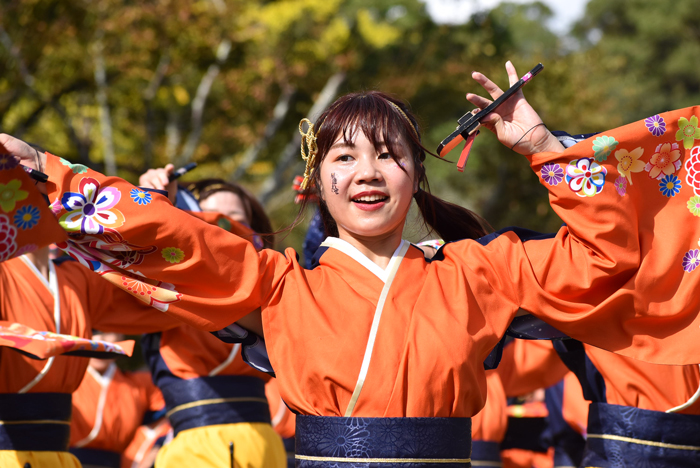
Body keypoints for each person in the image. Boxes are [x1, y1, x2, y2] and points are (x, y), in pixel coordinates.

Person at [4, 62, 700, 466]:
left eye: (389, 154)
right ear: (317, 180)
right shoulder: (276, 283)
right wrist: (52, 174)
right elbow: (172, 239)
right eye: (345, 156)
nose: (368, 172)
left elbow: (607, 259)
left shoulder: (480, 271)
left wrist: (545, 147)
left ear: (415, 179)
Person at [135, 171, 286, 468]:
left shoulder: (274, 288)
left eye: (235, 219)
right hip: (198, 449)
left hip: (266, 444)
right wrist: (158, 199)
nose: (223, 227)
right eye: (210, 218)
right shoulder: (166, 281)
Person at [69, 332, 166, 468]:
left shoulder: (139, 385)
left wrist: (155, 449)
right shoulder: (64, 381)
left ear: (121, 336)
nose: (100, 340)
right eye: (93, 332)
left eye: (108, 331)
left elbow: (176, 412)